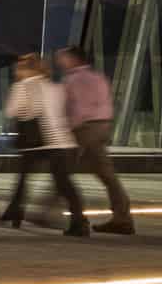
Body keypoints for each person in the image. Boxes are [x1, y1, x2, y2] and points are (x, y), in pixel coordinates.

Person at [0, 53, 87, 237]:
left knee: (23, 179)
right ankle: (79, 222)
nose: (16, 72)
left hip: (37, 142)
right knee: (64, 184)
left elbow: (12, 111)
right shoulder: (56, 87)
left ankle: (14, 212)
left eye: (19, 69)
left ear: (26, 70)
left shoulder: (22, 86)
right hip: (62, 141)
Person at [56, 46, 133, 234]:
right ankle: (121, 218)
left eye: (63, 58)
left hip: (84, 129)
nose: (59, 61)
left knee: (61, 172)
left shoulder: (74, 80)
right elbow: (106, 103)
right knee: (106, 174)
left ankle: (78, 220)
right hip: (101, 126)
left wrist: (68, 130)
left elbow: (79, 109)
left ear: (74, 59)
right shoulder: (98, 77)